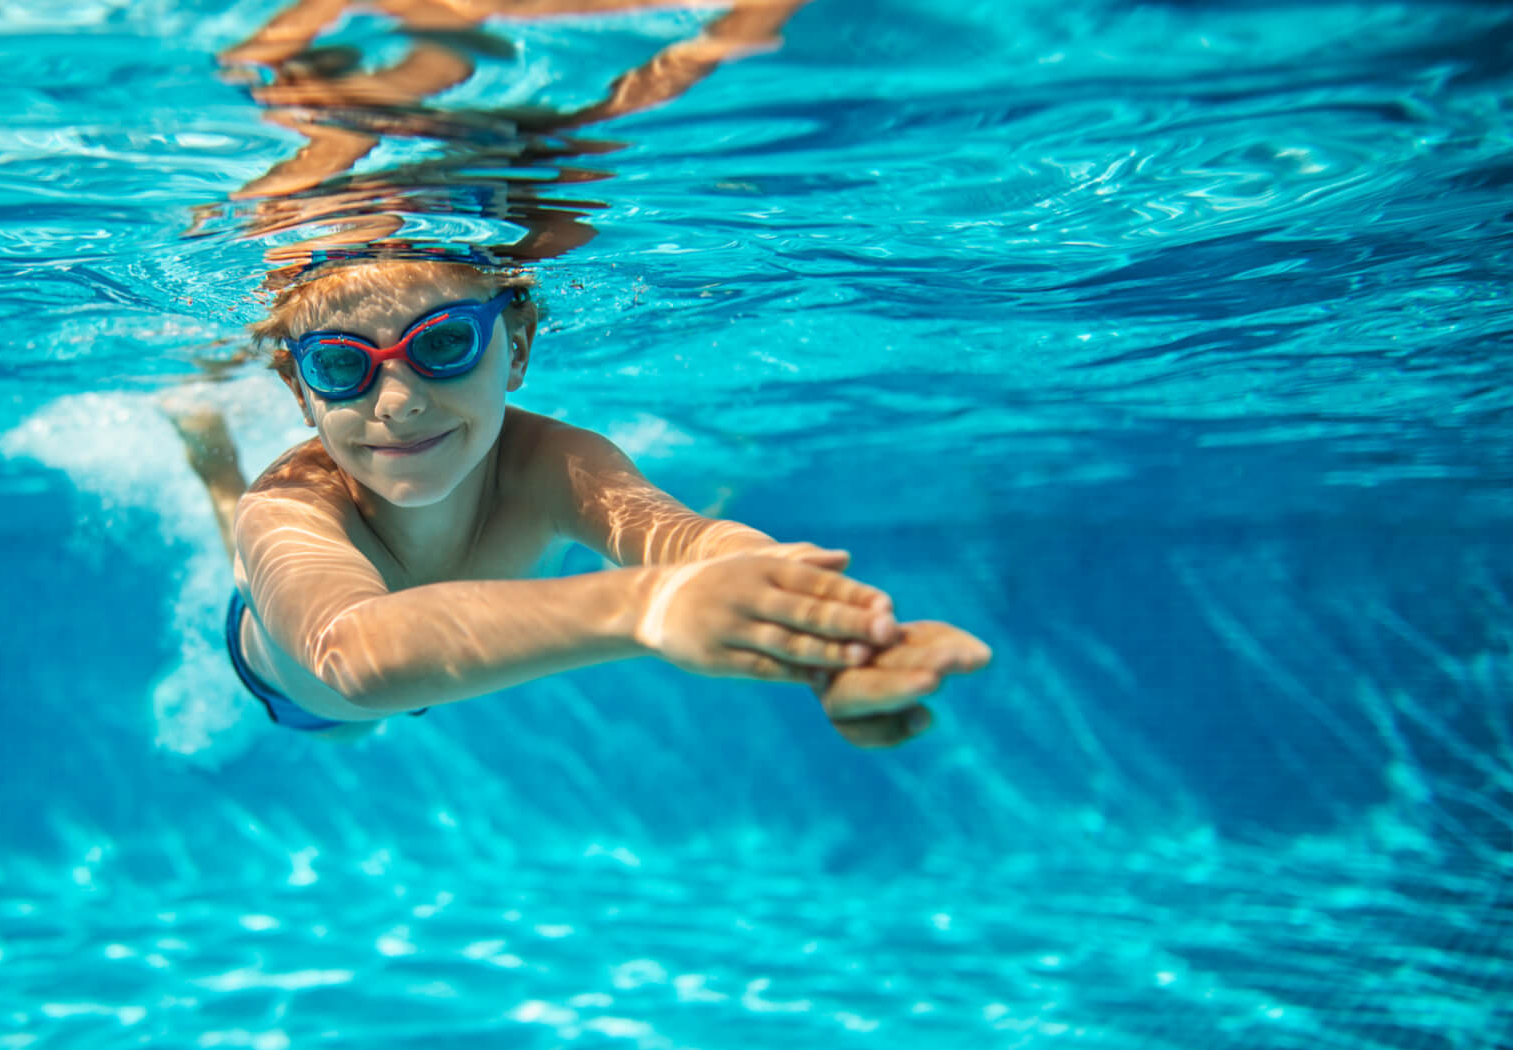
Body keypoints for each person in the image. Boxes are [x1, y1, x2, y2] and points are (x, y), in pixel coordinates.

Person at [169, 249, 990, 751]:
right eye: (343, 366)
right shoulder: (291, 507)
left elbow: (691, 543)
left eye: (444, 344)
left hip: (425, 674)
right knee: (249, 552)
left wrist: (833, 641)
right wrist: (652, 611)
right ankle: (213, 458)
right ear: (300, 391)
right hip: (298, 690)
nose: (397, 401)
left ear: (516, 345)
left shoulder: (558, 464)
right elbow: (356, 655)